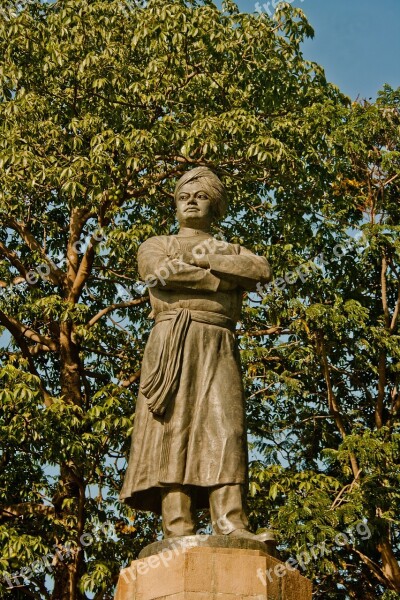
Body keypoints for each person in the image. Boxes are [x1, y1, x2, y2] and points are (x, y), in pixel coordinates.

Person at [120, 167, 272, 541]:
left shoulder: (232, 248)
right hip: (172, 339)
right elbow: (160, 273)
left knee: (227, 428)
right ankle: (177, 527)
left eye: (201, 195)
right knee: (171, 428)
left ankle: (231, 523)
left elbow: (260, 269)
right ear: (174, 203)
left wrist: (207, 260)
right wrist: (225, 279)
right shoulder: (157, 243)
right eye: (184, 195)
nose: (191, 200)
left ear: (215, 205)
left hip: (219, 342)